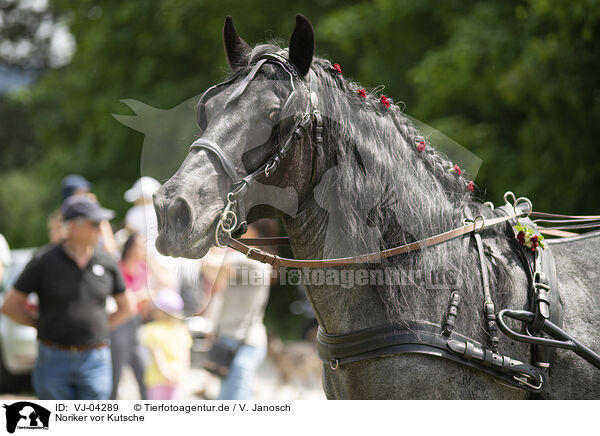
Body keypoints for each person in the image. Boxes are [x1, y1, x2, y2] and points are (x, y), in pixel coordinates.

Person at [0, 195, 132, 400]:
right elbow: (10, 305)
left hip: (95, 360)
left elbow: (127, 307)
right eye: (96, 223)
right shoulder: (44, 260)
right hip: (53, 359)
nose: (101, 228)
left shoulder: (107, 262)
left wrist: (100, 328)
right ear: (74, 227)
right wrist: (39, 325)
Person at [202, 221, 273, 400]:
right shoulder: (254, 261)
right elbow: (213, 274)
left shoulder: (253, 260)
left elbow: (210, 265)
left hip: (242, 344)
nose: (238, 233)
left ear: (256, 233)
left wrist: (204, 238)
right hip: (236, 342)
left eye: (244, 229)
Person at [109, 232, 149, 400]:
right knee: (115, 376)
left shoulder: (143, 269)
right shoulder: (118, 267)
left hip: (136, 324)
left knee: (145, 374)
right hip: (119, 325)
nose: (143, 249)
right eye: (140, 245)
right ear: (130, 246)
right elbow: (120, 299)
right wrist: (139, 296)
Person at [140, 289, 192, 400]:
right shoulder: (181, 330)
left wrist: (165, 373)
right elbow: (185, 355)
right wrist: (182, 372)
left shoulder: (152, 329)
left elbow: (157, 355)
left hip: (157, 378)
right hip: (176, 376)